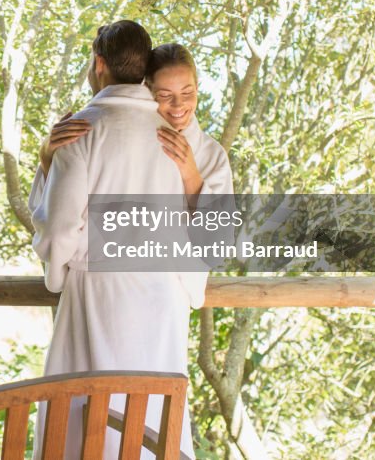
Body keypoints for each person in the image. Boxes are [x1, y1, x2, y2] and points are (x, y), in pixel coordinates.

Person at [28, 25, 226, 460]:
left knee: (82, 408)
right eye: (165, 95)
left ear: (99, 64)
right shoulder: (110, 129)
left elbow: (61, 228)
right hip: (162, 295)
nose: (176, 108)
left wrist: (58, 274)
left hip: (98, 291)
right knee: (148, 411)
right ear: (145, 85)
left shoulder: (86, 130)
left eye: (187, 94)